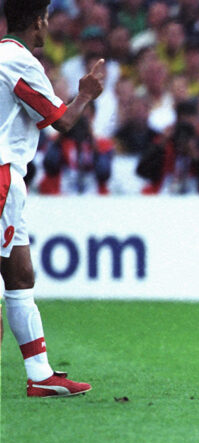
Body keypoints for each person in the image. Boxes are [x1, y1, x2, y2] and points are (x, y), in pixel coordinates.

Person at [1, 0, 105, 397]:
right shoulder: (19, 61)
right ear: (38, 22)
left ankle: (40, 374)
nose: (48, 28)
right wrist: (87, 94)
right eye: (46, 20)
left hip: (11, 178)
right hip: (2, 177)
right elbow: (62, 120)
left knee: (20, 274)